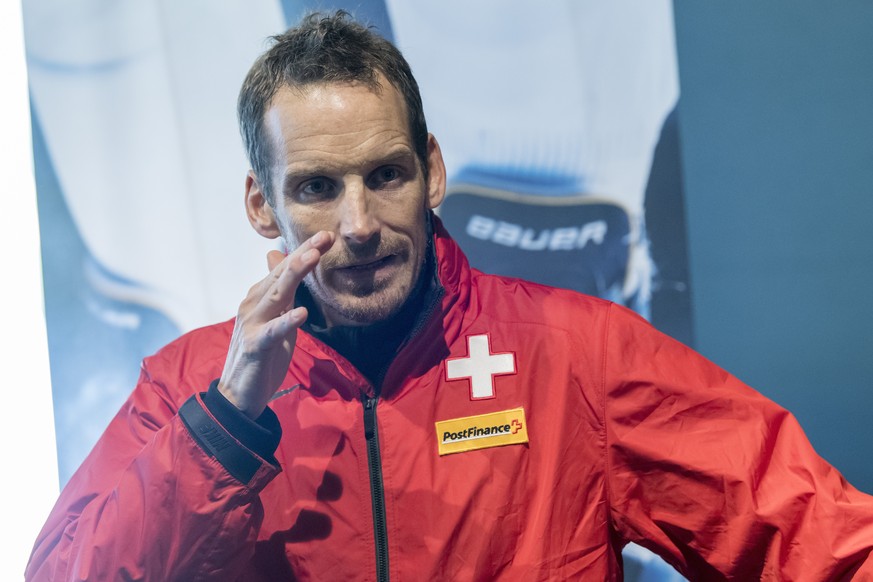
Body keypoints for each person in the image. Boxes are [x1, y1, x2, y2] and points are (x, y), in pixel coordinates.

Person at [26, 11, 873, 581]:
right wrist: (225, 425)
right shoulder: (193, 389)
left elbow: (806, 528)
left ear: (430, 171)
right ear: (262, 205)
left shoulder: (571, 352)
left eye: (384, 175)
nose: (358, 224)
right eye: (317, 187)